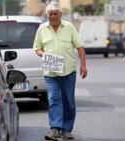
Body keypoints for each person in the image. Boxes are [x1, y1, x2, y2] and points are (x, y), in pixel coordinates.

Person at [33, 1, 87, 140]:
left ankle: (67, 130)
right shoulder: (42, 29)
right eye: (50, 14)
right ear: (47, 15)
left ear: (60, 15)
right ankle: (55, 129)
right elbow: (37, 48)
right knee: (53, 99)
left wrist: (83, 65)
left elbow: (80, 47)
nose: (53, 16)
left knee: (68, 101)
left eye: (55, 14)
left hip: (68, 71)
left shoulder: (69, 27)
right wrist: (43, 54)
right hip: (50, 73)